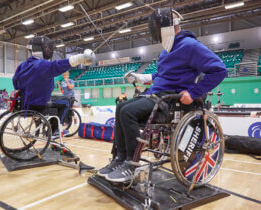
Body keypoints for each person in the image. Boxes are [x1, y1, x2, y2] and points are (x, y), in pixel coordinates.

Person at [97, 8, 227, 182]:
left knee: (128, 112)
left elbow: (219, 70)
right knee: (121, 106)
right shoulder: (166, 50)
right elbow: (161, 76)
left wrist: (194, 92)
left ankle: (132, 164)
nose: (156, 32)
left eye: (158, 28)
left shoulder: (190, 45)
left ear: (169, 27)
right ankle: (119, 158)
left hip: (171, 101)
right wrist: (141, 77)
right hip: (156, 94)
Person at [12, 36, 95, 133]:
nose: (49, 49)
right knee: (66, 102)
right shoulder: (42, 65)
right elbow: (58, 65)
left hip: (25, 103)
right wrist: (81, 58)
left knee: (55, 100)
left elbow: (15, 83)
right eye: (46, 47)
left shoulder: (23, 65)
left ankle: (45, 125)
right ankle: (55, 130)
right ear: (41, 48)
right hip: (38, 104)